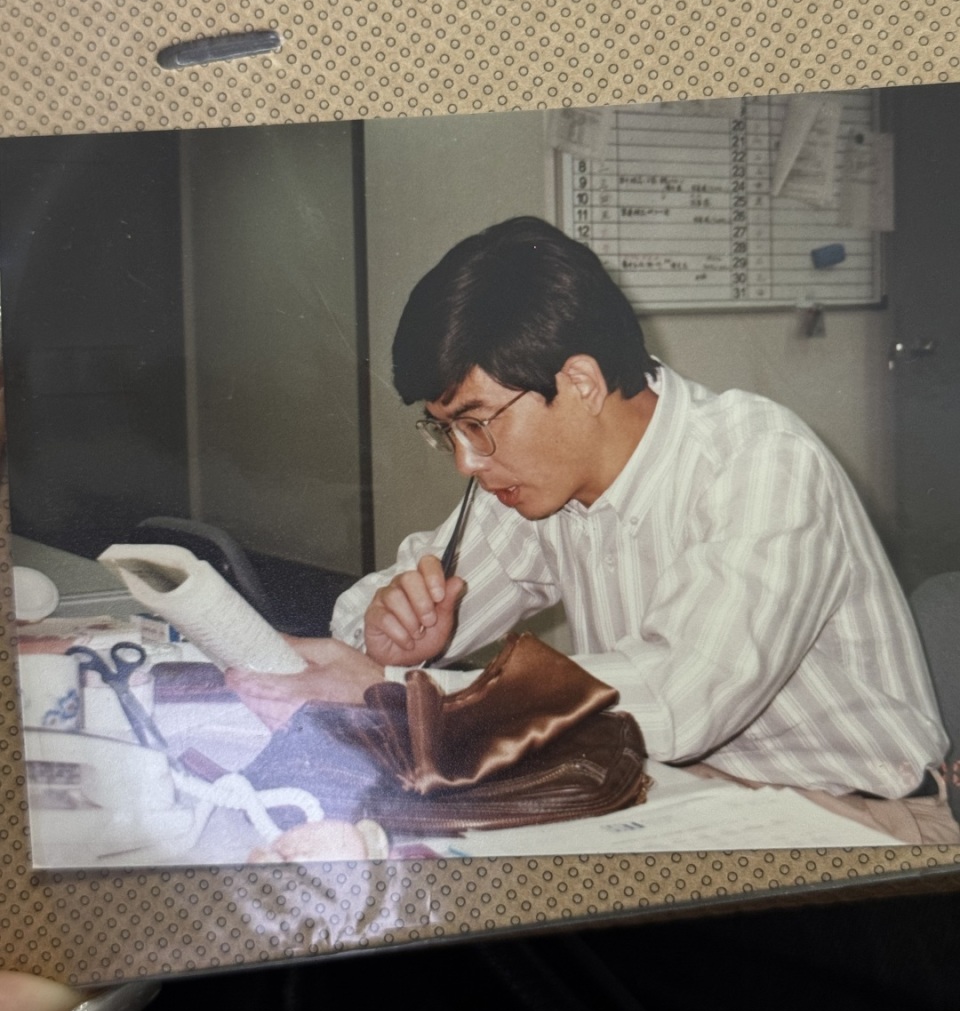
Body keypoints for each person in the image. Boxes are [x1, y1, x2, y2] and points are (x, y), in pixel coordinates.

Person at [229, 215, 956, 843]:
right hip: (678, 791)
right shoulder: (537, 484)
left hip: (863, 816)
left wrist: (397, 693)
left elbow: (679, 698)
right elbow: (379, 605)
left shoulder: (762, 460)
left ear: (579, 383)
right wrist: (388, 634)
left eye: (476, 423)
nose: (466, 462)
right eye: (446, 430)